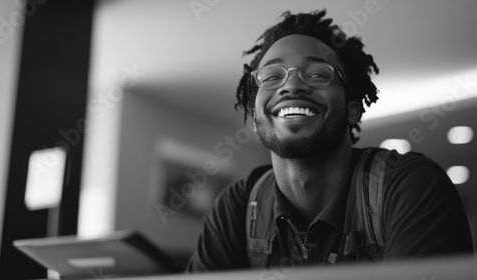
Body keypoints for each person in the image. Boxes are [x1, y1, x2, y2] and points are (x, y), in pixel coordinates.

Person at [186, 10, 473, 272]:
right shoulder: (237, 207)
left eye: (317, 74)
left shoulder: (410, 186)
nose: (292, 85)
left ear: (352, 108)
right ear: (255, 108)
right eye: (271, 76)